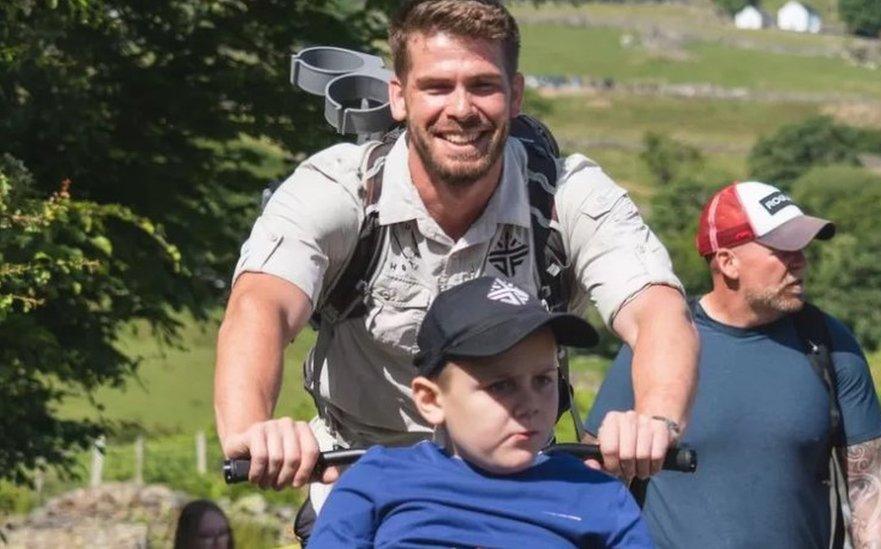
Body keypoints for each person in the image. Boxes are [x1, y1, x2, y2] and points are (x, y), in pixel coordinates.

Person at [214, 0, 698, 541]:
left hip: (520, 488)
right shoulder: (338, 190)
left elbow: (658, 311)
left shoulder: (569, 197)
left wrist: (655, 419)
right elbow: (261, 306)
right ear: (399, 96)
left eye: (483, 86)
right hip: (362, 488)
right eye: (437, 87)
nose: (462, 109)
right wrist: (250, 431)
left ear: (515, 95)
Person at [586, 181, 881, 548]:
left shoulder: (830, 344)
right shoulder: (661, 340)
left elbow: (873, 490)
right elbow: (597, 481)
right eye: (783, 248)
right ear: (727, 262)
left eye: (802, 246)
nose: (800, 259)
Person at [307, 276, 654, 547]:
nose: (530, 403)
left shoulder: (599, 495)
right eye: (501, 385)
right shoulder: (375, 480)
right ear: (431, 400)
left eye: (544, 380)